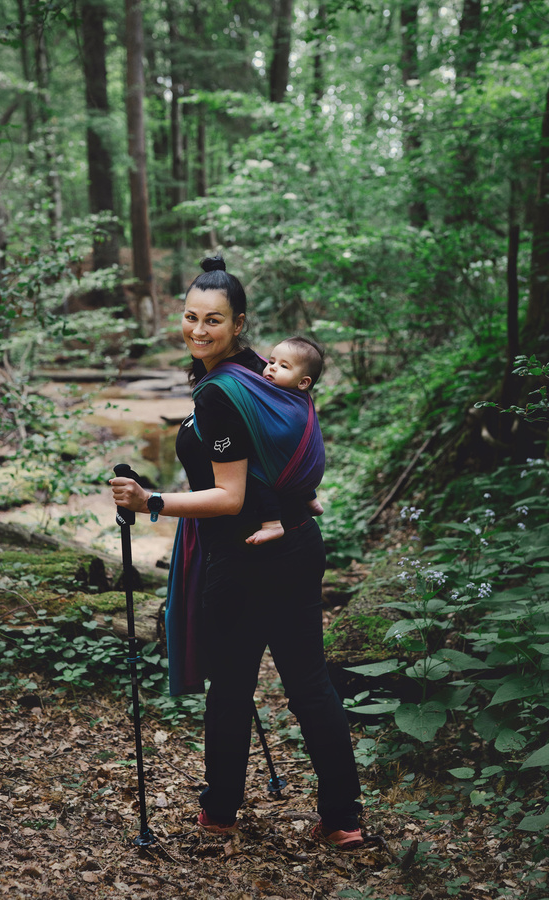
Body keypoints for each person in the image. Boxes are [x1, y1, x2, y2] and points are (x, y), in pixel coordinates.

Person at [110, 256, 364, 850]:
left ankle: (221, 811)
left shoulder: (223, 395)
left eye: (214, 321)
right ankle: (343, 819)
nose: (199, 331)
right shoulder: (267, 375)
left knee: (231, 688)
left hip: (245, 559)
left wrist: (150, 500)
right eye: (191, 317)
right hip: (298, 543)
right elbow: (292, 439)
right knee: (309, 684)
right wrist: (300, 501)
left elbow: (229, 496)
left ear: (239, 323)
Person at [246, 336, 325, 546]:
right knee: (293, 460)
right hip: (297, 463)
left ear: (303, 382)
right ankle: (312, 500)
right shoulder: (294, 395)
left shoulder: (290, 402)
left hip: (290, 461)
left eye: (283, 366)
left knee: (257, 471)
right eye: (271, 362)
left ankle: (272, 523)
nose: (271, 368)